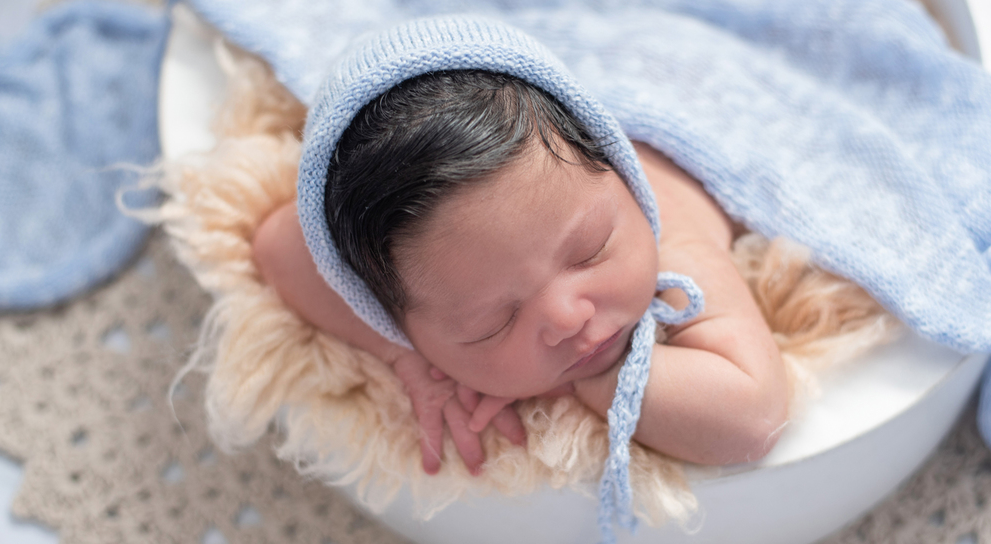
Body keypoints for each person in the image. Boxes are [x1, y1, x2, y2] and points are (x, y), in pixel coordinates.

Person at [252, 69, 789, 477]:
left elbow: (752, 418)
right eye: (492, 323)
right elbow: (280, 245)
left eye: (589, 253)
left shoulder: (665, 234)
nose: (568, 317)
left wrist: (595, 379)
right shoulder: (418, 261)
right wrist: (402, 353)